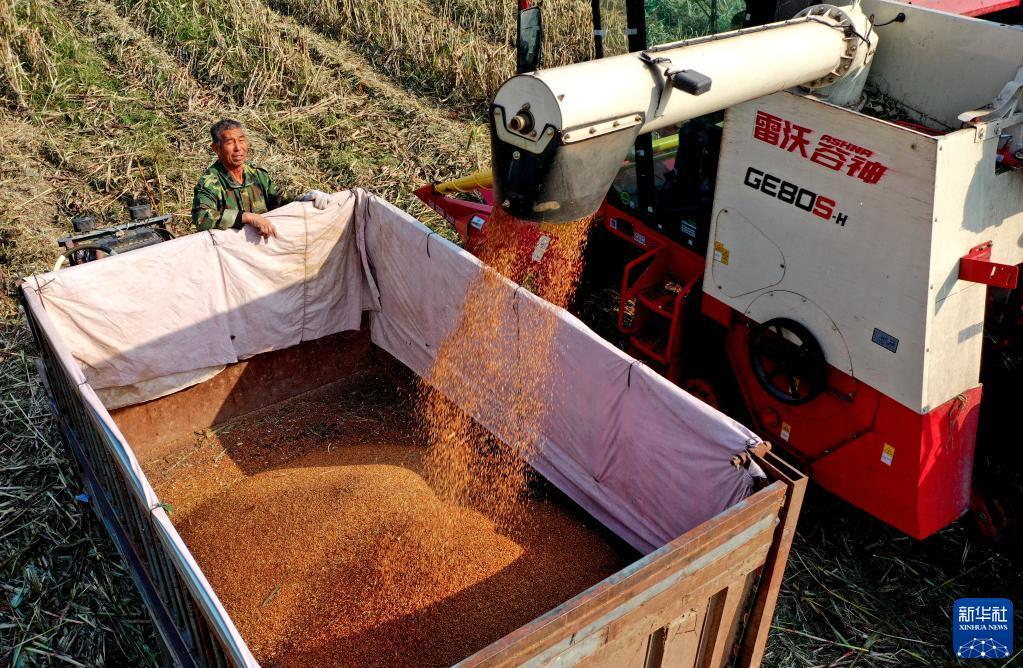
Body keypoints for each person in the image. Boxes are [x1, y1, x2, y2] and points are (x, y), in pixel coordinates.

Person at [191, 119, 333, 237]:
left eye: (241, 140)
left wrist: (305, 199)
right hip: (232, 258)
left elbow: (278, 200)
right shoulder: (210, 182)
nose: (238, 148)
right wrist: (246, 217)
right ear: (216, 148)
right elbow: (201, 218)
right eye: (230, 143)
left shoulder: (257, 175)